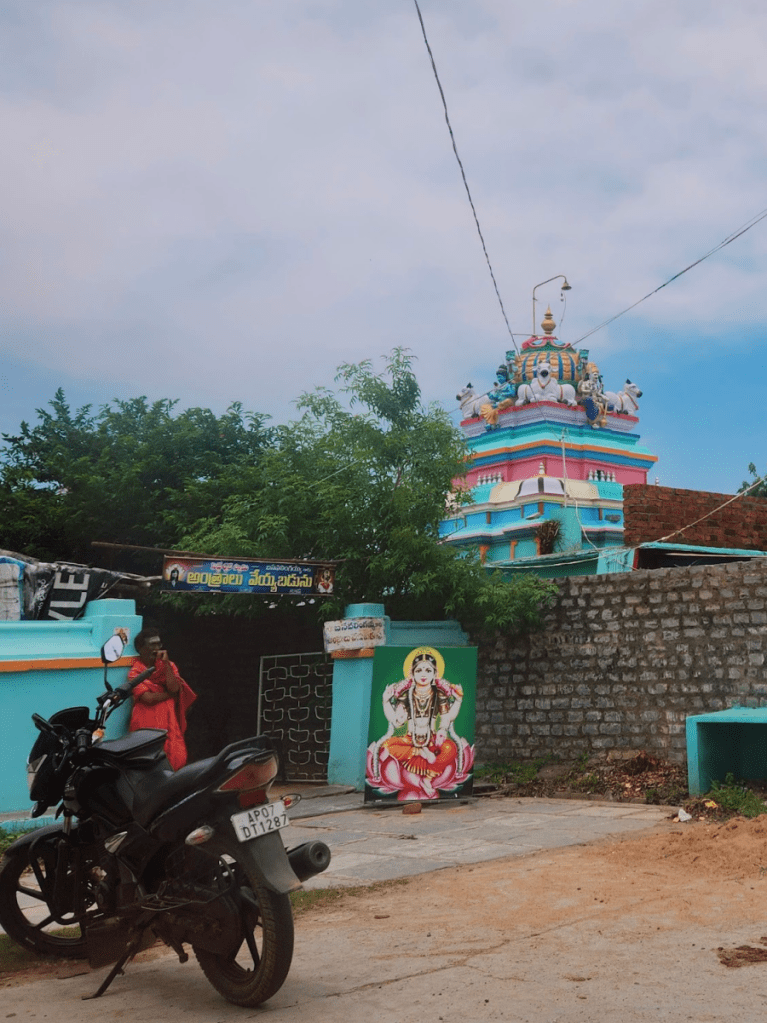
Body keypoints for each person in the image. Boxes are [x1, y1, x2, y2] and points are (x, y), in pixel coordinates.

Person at [367, 647, 474, 801]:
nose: (423, 674)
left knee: (450, 748)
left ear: (435, 674)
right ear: (412, 674)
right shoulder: (406, 695)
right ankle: (420, 752)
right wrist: (385, 701)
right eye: (419, 671)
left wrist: (447, 721)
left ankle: (428, 779)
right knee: (389, 745)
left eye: (428, 671)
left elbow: (447, 717)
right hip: (410, 741)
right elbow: (397, 722)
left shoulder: (439, 694)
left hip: (432, 741)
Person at [128, 628, 196, 770]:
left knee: (176, 758)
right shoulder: (135, 672)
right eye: (152, 645)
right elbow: (148, 698)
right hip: (146, 723)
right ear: (141, 648)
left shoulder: (168, 666)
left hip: (169, 722)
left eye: (158, 644)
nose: (157, 648)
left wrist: (166, 665)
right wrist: (170, 695)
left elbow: (174, 688)